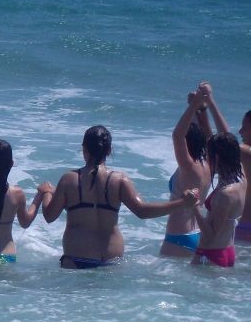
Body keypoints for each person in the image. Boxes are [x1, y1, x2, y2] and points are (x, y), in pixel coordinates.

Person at [42, 125, 198, 269]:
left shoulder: (69, 179)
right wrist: (182, 203)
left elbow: (49, 216)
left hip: (76, 259)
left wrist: (47, 193)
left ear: (84, 149)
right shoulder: (119, 180)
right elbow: (143, 211)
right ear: (109, 150)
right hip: (110, 261)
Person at [160, 89, 214, 256]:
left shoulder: (189, 166)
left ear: (187, 143)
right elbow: (208, 136)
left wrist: (195, 103)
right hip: (197, 234)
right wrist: (200, 109)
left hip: (178, 237)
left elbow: (177, 135)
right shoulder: (208, 164)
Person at [191, 126, 245, 267]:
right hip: (227, 251)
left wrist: (194, 206)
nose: (206, 159)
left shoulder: (225, 194)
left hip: (209, 255)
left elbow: (210, 235)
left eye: (208, 155)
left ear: (217, 157)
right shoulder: (242, 181)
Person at [237, 108, 251, 243]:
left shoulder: (246, 153)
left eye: (244, 127)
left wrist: (208, 106)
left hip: (245, 229)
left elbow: (222, 142)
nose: (240, 131)